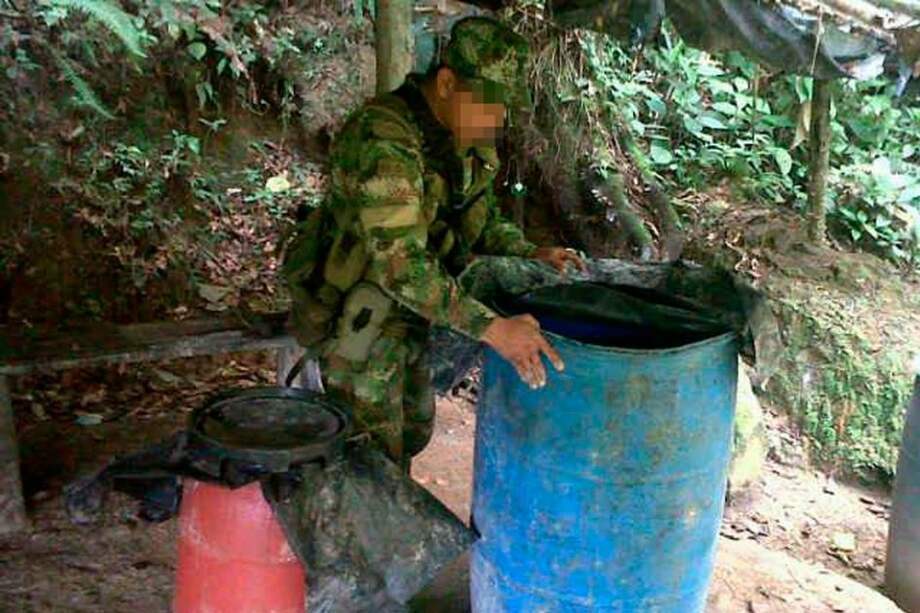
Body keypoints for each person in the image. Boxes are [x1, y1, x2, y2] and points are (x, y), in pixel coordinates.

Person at [283, 16, 584, 467]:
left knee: (413, 432)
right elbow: (400, 266)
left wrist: (528, 252)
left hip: (418, 312)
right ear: (446, 84)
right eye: (489, 102)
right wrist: (492, 328)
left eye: (506, 106)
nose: (499, 118)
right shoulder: (383, 142)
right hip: (360, 318)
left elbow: (482, 221)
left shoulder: (467, 139)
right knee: (371, 456)